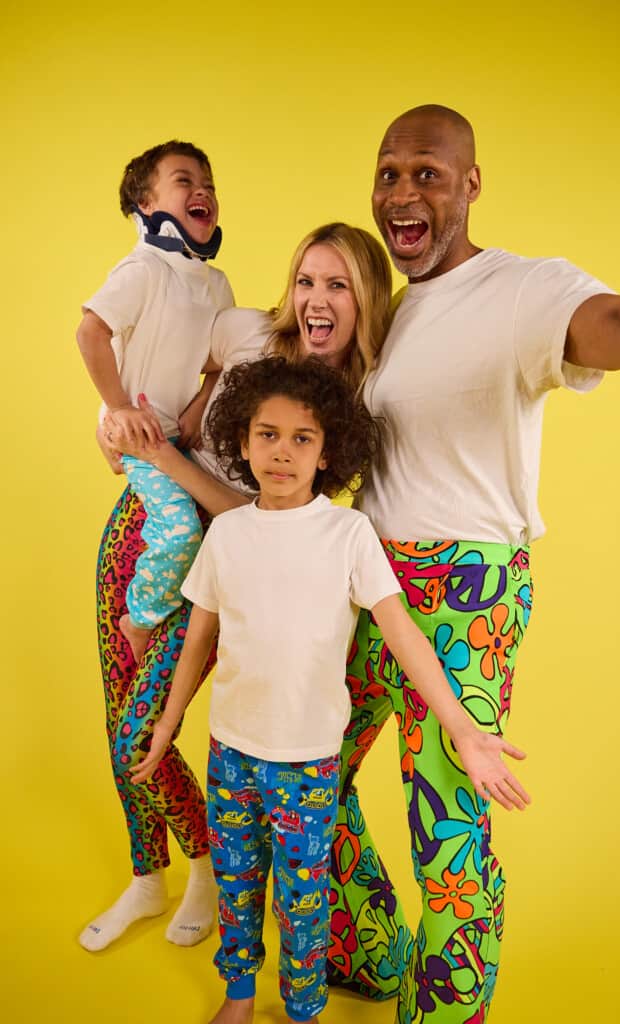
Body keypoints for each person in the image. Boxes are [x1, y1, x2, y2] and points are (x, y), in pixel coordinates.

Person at [326, 104, 620, 1023]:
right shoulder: (393, 311)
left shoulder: (525, 290)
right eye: (388, 172)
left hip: (463, 586)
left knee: (445, 819)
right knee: (298, 771)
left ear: (470, 185)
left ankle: (446, 1012)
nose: (403, 192)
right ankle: (369, 948)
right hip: (366, 573)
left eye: (428, 174)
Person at [130, 355, 530, 1024]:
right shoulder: (226, 534)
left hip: (309, 763)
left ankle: (303, 1006)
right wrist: (168, 724)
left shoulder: (347, 535)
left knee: (304, 900)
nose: (280, 452)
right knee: (237, 887)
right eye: (266, 434)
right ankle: (236, 994)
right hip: (230, 756)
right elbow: (199, 638)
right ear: (241, 440)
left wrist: (461, 725)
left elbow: (401, 632)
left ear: (326, 452)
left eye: (301, 438)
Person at [79, 224, 392, 953]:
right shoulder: (243, 331)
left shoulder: (351, 399)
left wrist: (164, 458)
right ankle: (145, 876)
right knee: (115, 709)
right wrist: (122, 426)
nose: (315, 299)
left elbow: (262, 520)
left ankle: (205, 862)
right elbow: (175, 383)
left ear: (365, 301)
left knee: (139, 738)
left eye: (337, 285)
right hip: (141, 527)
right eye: (306, 281)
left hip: (223, 573)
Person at [76, 140, 233, 665]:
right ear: (147, 205)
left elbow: (218, 363)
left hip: (177, 430)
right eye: (184, 181)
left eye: (208, 184)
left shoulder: (215, 284)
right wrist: (117, 409)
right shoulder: (142, 269)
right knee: (179, 530)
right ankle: (140, 617)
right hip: (140, 438)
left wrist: (199, 404)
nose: (202, 190)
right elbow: (90, 333)